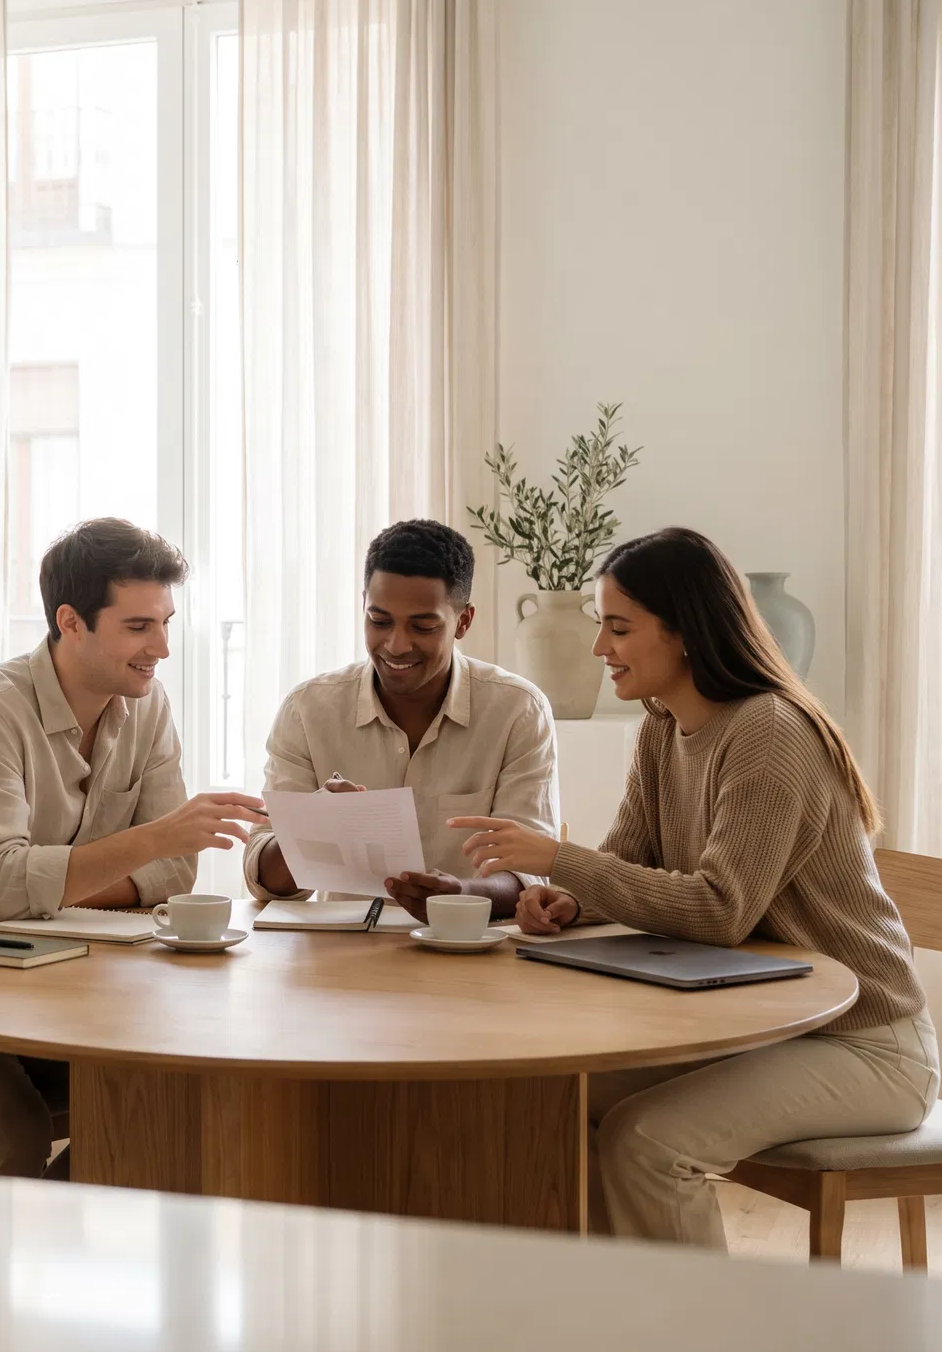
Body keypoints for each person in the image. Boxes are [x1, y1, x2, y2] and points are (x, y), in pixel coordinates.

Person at [454, 527, 937, 1248]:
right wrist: (571, 900)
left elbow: (720, 910)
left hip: (864, 1044)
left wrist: (561, 862)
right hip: (772, 1029)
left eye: (619, 628)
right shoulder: (661, 729)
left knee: (650, 1142)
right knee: (553, 1101)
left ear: (684, 632)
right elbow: (628, 861)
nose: (600, 649)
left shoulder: (769, 734)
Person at [0, 517, 268, 1177]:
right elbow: (0, 883)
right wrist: (145, 841)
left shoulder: (147, 706)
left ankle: (34, 1249)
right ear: (71, 622)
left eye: (166, 622)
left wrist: (30, 898)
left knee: (167, 1096)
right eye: (139, 626)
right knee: (13, 1135)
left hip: (52, 989)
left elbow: (173, 872)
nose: (161, 647)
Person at [243, 519, 559, 921]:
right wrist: (315, 826)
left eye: (423, 626)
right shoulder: (307, 709)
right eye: (379, 621)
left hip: (470, 949)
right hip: (340, 959)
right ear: (363, 606)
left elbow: (530, 873)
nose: (396, 644)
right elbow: (262, 878)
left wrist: (459, 895)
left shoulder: (518, 710)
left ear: (464, 621)